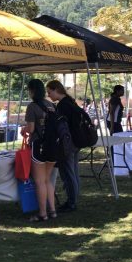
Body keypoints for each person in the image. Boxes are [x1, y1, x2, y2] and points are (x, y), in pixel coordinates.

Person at [20, 79, 57, 222]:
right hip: (54, 146)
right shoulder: (51, 105)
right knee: (47, 180)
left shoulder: (32, 107)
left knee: (40, 181)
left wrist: (24, 129)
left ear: (32, 90)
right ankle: (52, 210)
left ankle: (42, 213)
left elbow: (31, 128)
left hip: (39, 146)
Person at [45, 80, 79, 212]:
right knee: (73, 172)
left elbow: (61, 127)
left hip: (67, 144)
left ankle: (71, 202)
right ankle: (74, 199)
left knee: (68, 174)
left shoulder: (63, 106)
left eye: (49, 92)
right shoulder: (70, 102)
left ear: (55, 90)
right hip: (75, 142)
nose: (49, 95)